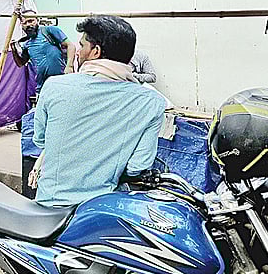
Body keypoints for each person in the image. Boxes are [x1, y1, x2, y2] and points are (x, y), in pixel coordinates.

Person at [29, 16, 166, 208]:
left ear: (95, 52)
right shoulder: (152, 103)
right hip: (102, 211)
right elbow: (138, 167)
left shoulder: (54, 86)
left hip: (50, 209)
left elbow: (41, 140)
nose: (77, 51)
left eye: (82, 45)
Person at [10, 9, 74, 89]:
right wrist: (13, 49)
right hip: (43, 87)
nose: (28, 25)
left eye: (31, 21)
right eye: (25, 23)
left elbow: (70, 46)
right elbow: (20, 63)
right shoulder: (26, 44)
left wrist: (69, 66)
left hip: (61, 83)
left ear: (37, 20)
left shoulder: (49, 30)